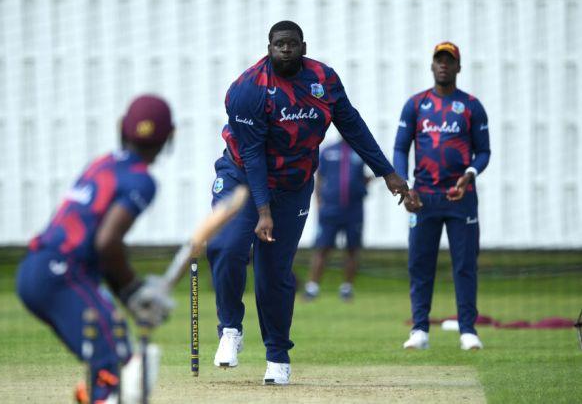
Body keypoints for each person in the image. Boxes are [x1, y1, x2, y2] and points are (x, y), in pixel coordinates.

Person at [207, 20, 410, 385]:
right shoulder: (247, 89)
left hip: (292, 184)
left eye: (291, 43)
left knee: (273, 272)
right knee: (226, 246)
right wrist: (263, 211)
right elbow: (252, 154)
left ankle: (277, 356)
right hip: (241, 178)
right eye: (278, 44)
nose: (285, 49)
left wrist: (387, 172)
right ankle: (230, 330)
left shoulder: (323, 81)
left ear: (303, 46)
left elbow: (352, 126)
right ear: (268, 48)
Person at [16, 95, 176, 403]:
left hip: (37, 268)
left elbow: (101, 246)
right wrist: (133, 288)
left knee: (113, 363)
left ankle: (93, 394)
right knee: (119, 369)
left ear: (122, 128)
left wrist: (129, 294)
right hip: (62, 274)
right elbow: (107, 242)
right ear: (170, 136)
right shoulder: (142, 181)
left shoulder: (102, 163)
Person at [393, 42, 491, 351]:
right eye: (439, 60)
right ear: (432, 66)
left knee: (464, 264)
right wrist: (405, 187)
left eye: (450, 61)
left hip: (460, 196)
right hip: (423, 198)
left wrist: (470, 174)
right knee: (420, 264)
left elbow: (484, 151)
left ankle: (468, 330)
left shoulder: (471, 106)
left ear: (459, 67)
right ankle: (420, 330)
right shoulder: (416, 104)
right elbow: (400, 148)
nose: (444, 65)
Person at [303, 138, 371, 302]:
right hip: (330, 209)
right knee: (322, 248)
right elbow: (319, 177)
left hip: (354, 210)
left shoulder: (360, 150)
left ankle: (347, 288)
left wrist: (365, 183)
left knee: (352, 249)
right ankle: (312, 288)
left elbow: (363, 178)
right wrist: (319, 201)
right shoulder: (328, 151)